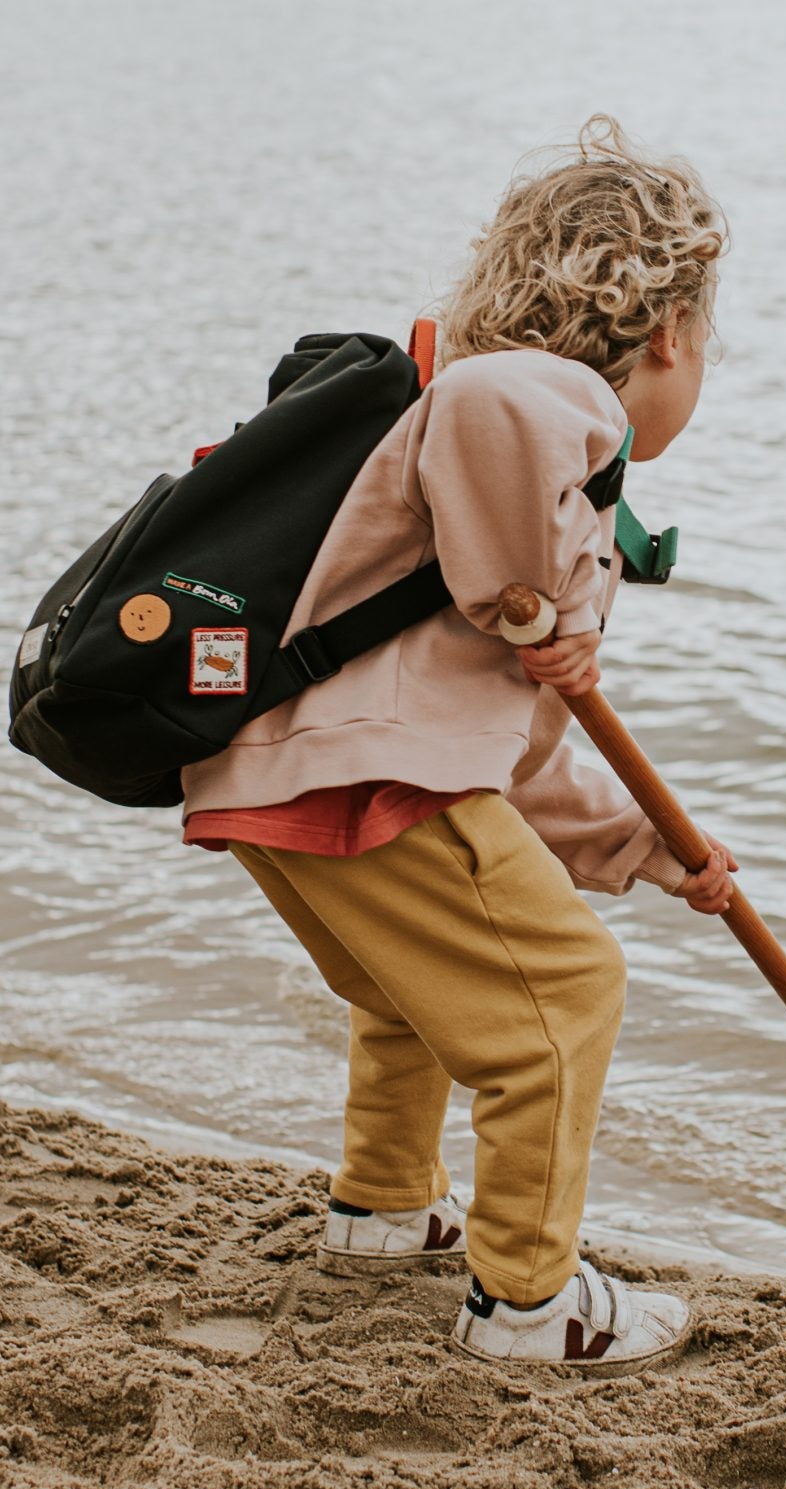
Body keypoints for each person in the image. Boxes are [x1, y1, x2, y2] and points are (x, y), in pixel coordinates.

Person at [179, 116, 737, 1373]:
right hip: (368, 776)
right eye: (706, 346)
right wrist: (535, 601)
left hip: (292, 767)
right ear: (665, 333)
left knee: (412, 993)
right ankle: (531, 1303)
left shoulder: (509, 456)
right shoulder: (533, 400)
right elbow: (493, 416)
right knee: (566, 1001)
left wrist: (652, 846)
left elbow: (504, 755)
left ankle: (385, 1207)